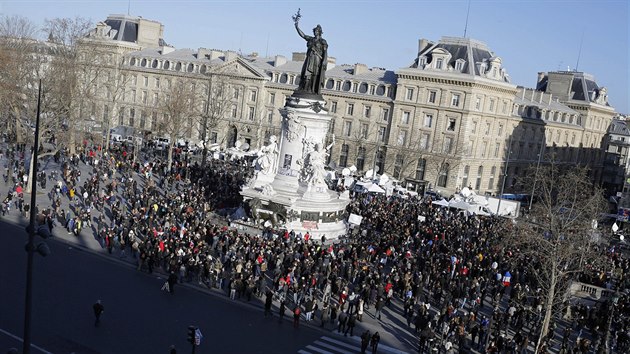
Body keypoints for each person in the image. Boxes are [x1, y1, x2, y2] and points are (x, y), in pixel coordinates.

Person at [293, 10, 328, 95]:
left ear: (319, 32)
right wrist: (297, 27)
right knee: (306, 73)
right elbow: (303, 35)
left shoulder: (322, 41)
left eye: (316, 31)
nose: (315, 32)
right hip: (309, 58)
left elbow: (325, 52)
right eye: (314, 31)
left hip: (317, 59)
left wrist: (324, 61)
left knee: (315, 74)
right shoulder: (311, 39)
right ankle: (304, 87)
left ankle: (313, 89)